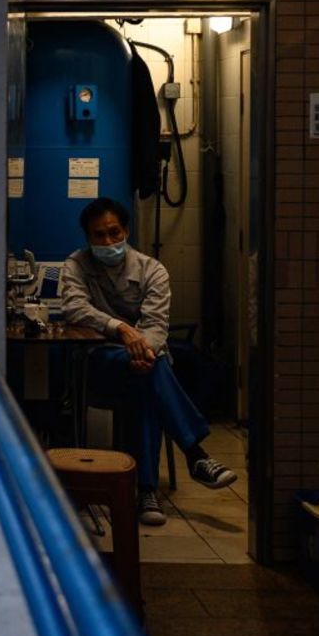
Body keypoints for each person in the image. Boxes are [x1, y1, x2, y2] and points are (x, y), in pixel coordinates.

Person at [61, 197, 237, 526]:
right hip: (100, 364)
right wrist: (122, 329)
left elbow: (157, 325)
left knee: (146, 380)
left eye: (114, 232)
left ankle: (146, 491)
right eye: (99, 235)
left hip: (145, 362)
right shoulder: (77, 265)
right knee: (151, 372)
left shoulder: (151, 269)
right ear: (88, 238)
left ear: (126, 230)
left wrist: (143, 350)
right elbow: (74, 307)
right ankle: (193, 455)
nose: (108, 241)